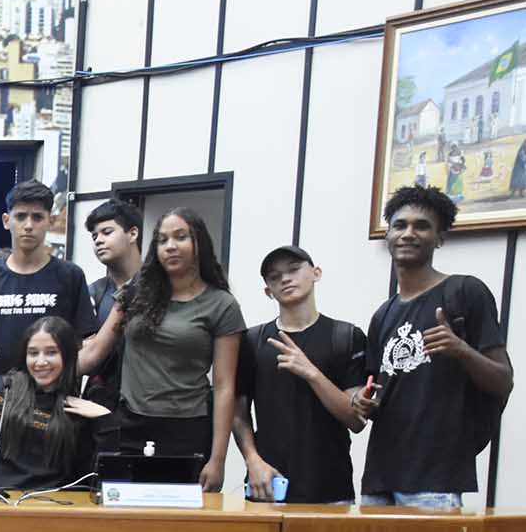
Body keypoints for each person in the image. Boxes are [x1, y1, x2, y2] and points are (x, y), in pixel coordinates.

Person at [353, 185, 512, 508]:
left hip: (435, 480)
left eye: (421, 226)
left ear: (440, 238)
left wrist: (461, 349)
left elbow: (503, 380)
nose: (408, 233)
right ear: (388, 236)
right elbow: (376, 391)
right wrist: (363, 402)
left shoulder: (465, 292)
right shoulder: (382, 315)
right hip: (379, 478)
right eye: (400, 225)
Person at [112, 207, 245, 489]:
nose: (170, 246)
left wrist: (218, 460)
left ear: (199, 243)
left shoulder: (222, 304)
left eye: (180, 237)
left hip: (187, 427)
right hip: (130, 423)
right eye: (162, 240)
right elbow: (96, 349)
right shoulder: (136, 292)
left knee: (181, 526)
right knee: (125, 525)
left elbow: (224, 387)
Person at [233, 246, 366, 504]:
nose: (285, 279)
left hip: (330, 489)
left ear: (316, 273)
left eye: (294, 269)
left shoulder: (346, 337)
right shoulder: (252, 341)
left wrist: (310, 372)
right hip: (268, 486)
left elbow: (356, 420)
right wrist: (253, 461)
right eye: (274, 276)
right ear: (267, 291)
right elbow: (238, 413)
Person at [0, 316, 115, 491]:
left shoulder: (79, 409)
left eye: (51, 353)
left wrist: (105, 421)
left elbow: (92, 480)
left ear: (67, 357)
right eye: (33, 353)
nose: (40, 362)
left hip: (46, 509)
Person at [0, 180, 109, 395]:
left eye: (37, 217)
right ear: (6, 220)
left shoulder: (70, 276)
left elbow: (88, 343)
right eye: (20, 216)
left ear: (51, 221)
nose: (28, 225)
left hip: (54, 403)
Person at [84, 199, 140, 394]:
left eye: (107, 232)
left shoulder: (159, 287)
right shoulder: (92, 293)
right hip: (101, 403)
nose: (98, 240)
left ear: (132, 233)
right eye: (94, 236)